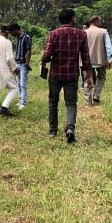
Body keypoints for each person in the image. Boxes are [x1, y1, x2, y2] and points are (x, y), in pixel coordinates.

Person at [41, 8, 93, 143]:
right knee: (71, 103)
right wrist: (90, 76)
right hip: (71, 74)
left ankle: (53, 130)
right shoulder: (81, 34)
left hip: (55, 74)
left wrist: (43, 59)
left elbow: (47, 55)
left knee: (53, 101)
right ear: (72, 19)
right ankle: (70, 128)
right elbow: (86, 57)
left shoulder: (53, 34)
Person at [84, 15, 112, 106]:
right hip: (100, 60)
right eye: (100, 22)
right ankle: (96, 95)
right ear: (96, 21)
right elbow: (108, 47)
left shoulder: (84, 32)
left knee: (86, 80)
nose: (101, 24)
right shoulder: (103, 32)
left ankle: (88, 103)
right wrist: (110, 59)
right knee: (101, 77)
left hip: (86, 61)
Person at [9, 22, 32, 109]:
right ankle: (20, 100)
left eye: (12, 32)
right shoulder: (18, 38)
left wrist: (27, 62)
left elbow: (29, 50)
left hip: (23, 63)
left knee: (23, 84)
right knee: (18, 83)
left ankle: (23, 103)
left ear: (16, 30)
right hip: (17, 63)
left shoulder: (26, 37)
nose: (11, 34)